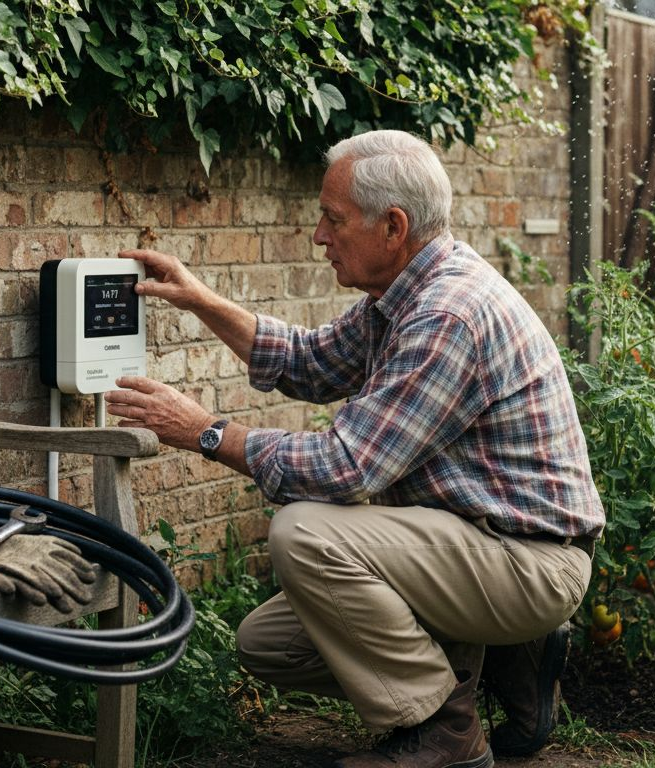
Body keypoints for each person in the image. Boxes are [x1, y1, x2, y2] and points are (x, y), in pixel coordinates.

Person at [104, 129, 604, 768]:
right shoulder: (402, 294)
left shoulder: (446, 316)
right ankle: (502, 660)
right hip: (469, 547)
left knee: (304, 533)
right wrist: (200, 299)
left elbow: (347, 468)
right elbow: (310, 362)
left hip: (528, 561)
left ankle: (445, 733)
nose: (319, 236)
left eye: (334, 219)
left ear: (394, 227)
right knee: (269, 645)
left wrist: (206, 431)